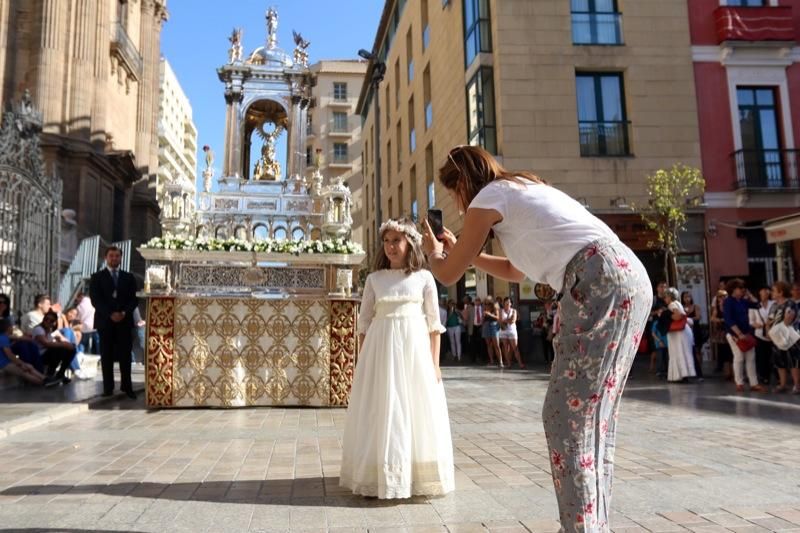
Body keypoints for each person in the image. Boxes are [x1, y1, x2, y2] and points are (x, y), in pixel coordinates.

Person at [421, 145, 651, 531]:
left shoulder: (488, 196)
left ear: (464, 183)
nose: (459, 205)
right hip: (625, 276)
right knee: (593, 420)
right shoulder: (522, 188)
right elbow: (514, 270)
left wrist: (434, 252)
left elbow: (447, 275)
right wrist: (466, 249)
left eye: (454, 191)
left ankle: (580, 528)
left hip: (597, 280)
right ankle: (592, 525)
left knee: (564, 418)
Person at [339, 217, 454, 499]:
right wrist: (362, 361)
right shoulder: (375, 280)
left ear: (410, 243)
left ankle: (413, 472)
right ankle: (378, 473)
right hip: (380, 351)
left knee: (412, 408)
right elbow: (364, 323)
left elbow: (433, 324)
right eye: (387, 241)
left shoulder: (424, 277)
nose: (390, 246)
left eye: (396, 241)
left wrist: (435, 364)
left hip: (414, 353)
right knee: (383, 409)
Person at [89, 246, 139, 399]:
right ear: (106, 258)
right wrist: (110, 314)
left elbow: (134, 299)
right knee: (107, 355)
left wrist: (124, 313)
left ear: (121, 258)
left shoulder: (128, 277)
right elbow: (96, 300)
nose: (114, 259)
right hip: (106, 321)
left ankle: (127, 386)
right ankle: (108, 387)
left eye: (117, 256)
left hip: (124, 321)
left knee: (125, 355)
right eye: (111, 256)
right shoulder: (97, 277)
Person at [722, 278, 765, 393]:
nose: (742, 290)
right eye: (740, 288)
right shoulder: (728, 301)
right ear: (733, 289)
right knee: (739, 357)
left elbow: (757, 305)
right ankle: (739, 382)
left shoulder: (743, 301)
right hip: (734, 334)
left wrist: (750, 295)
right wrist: (738, 333)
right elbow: (729, 319)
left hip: (747, 333)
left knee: (751, 357)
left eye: (743, 288)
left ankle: (754, 383)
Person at [766, 281, 799, 393]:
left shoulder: (790, 303)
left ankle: (796, 385)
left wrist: (781, 329)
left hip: (788, 335)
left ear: (781, 292)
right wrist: (768, 332)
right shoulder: (774, 306)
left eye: (774, 291)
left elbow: (790, 317)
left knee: (792, 361)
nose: (771, 293)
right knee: (779, 361)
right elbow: (769, 321)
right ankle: (782, 384)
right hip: (777, 336)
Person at [31, 311, 75, 386]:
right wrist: (64, 344)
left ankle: (61, 373)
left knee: (72, 349)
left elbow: (63, 340)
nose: (48, 321)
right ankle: (50, 374)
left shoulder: (50, 330)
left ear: (54, 322)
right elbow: (46, 344)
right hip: (39, 355)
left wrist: (66, 343)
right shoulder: (38, 329)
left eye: (51, 320)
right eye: (46, 319)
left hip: (47, 353)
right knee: (59, 348)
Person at [0, 319, 48, 386]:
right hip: (4, 364)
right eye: (11, 327)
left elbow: (20, 339)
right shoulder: (3, 338)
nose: (13, 328)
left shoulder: (4, 337)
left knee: (29, 367)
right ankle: (42, 383)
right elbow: (9, 355)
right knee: (23, 372)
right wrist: (21, 363)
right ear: (8, 328)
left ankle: (45, 378)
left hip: (7, 362)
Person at [664, 288, 695, 383]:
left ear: (669, 297)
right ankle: (684, 375)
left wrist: (667, 316)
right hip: (683, 331)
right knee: (683, 352)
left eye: (666, 296)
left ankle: (678, 376)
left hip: (678, 333)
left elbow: (678, 315)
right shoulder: (678, 303)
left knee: (677, 352)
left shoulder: (672, 304)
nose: (665, 299)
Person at [749, 286, 774, 386]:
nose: (763, 294)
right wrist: (757, 325)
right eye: (761, 293)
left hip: (773, 334)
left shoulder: (773, 304)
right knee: (762, 356)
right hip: (760, 334)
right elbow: (751, 321)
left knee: (773, 356)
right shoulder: (755, 305)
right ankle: (764, 376)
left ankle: (777, 376)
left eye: (765, 292)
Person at [681, 291, 704, 380]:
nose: (687, 299)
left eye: (689, 297)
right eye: (685, 297)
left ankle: (699, 371)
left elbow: (698, 317)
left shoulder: (695, 307)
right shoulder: (681, 308)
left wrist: (687, 319)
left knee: (697, 350)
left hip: (696, 330)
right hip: (685, 331)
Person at [499, 297, 524, 368]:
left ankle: (520, 363)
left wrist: (505, 320)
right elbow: (500, 321)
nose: (507, 303)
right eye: (506, 302)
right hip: (503, 330)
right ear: (503, 303)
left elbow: (513, 320)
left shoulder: (514, 311)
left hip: (512, 330)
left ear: (511, 303)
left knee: (515, 347)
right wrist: (508, 320)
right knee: (505, 347)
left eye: (508, 302)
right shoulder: (501, 311)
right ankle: (508, 363)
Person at [649, 281, 668, 373]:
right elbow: (648, 313)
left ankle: (665, 368)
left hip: (666, 325)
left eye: (665, 287)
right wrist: (657, 312)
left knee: (665, 347)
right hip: (655, 325)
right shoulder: (654, 300)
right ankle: (653, 366)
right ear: (657, 288)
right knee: (655, 348)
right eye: (661, 286)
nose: (663, 289)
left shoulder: (668, 299)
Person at [482, 295, 503, 367]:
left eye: (488, 303)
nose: (486, 305)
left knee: (496, 344)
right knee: (488, 344)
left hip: (494, 325)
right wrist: (483, 317)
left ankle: (500, 362)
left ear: (491, 302)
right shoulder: (484, 306)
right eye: (485, 303)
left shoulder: (495, 306)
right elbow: (484, 318)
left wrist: (490, 314)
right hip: (486, 325)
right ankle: (491, 361)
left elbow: (497, 317)